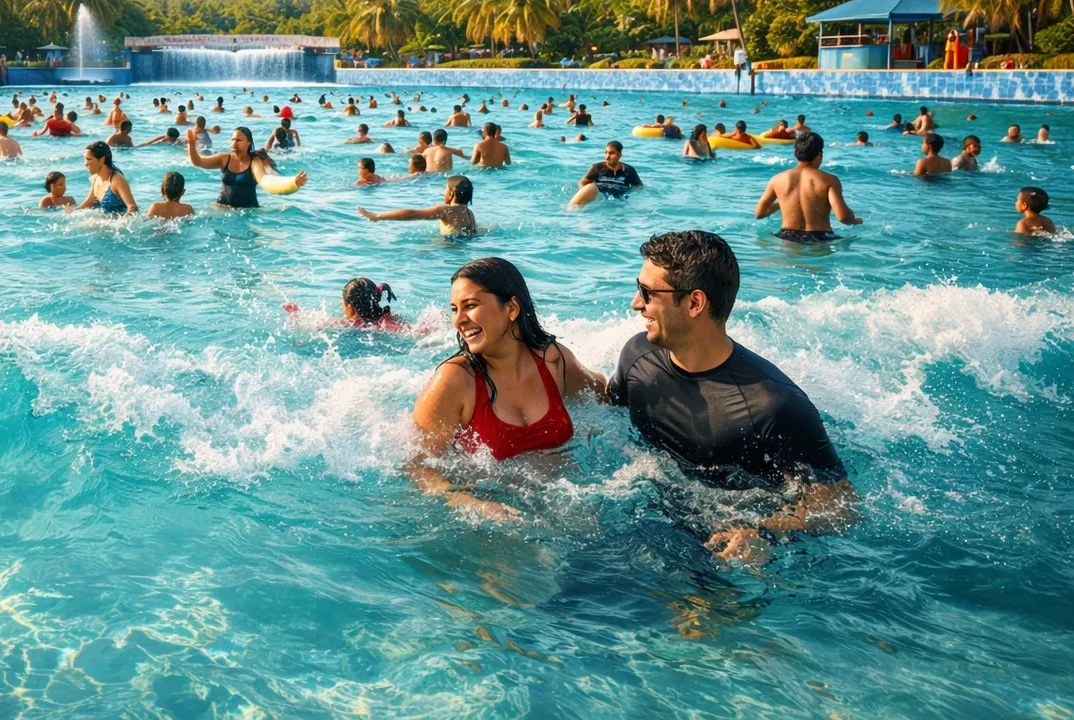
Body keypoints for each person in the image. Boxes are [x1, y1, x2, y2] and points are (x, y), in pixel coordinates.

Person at [608, 231, 854, 562]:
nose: (636, 303)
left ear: (695, 303)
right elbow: (604, 410)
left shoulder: (773, 406)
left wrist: (764, 531)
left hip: (722, 543)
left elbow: (842, 506)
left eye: (647, 292)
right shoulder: (637, 356)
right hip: (646, 516)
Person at [408, 258, 600, 520]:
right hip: (493, 514)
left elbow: (601, 393)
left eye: (470, 306)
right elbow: (417, 464)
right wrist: (469, 503)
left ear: (511, 308)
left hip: (565, 502)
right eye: (454, 309)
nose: (458, 321)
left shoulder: (553, 360)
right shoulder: (456, 380)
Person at [754, 132, 862, 241]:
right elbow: (843, 217)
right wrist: (855, 220)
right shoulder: (829, 180)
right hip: (820, 237)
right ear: (819, 154)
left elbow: (759, 213)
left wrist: (779, 206)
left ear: (795, 152)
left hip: (786, 236)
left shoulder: (777, 179)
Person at [187, 126, 306, 208]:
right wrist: (191, 145)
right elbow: (198, 162)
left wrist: (293, 183)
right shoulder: (224, 158)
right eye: (233, 140)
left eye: (238, 140)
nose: (234, 143)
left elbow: (265, 180)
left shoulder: (254, 162)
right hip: (222, 208)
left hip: (247, 212)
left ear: (248, 143)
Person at [358, 175, 476, 236]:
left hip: (449, 247)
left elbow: (411, 214)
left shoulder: (446, 210)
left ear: (451, 194)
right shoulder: (470, 213)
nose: (443, 193)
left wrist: (377, 216)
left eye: (445, 190)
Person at [570, 140, 642, 206]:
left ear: (620, 154)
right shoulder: (597, 167)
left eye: (611, 153)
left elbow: (639, 187)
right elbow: (584, 182)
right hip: (600, 199)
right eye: (606, 152)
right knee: (590, 187)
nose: (607, 157)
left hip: (620, 200)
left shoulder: (629, 170)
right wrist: (583, 194)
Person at [75, 141, 137, 214]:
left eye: (89, 159)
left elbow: (132, 207)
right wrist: (73, 212)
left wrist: (122, 220)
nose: (85, 163)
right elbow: (89, 202)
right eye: (85, 159)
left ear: (102, 160)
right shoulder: (95, 178)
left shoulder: (116, 180)